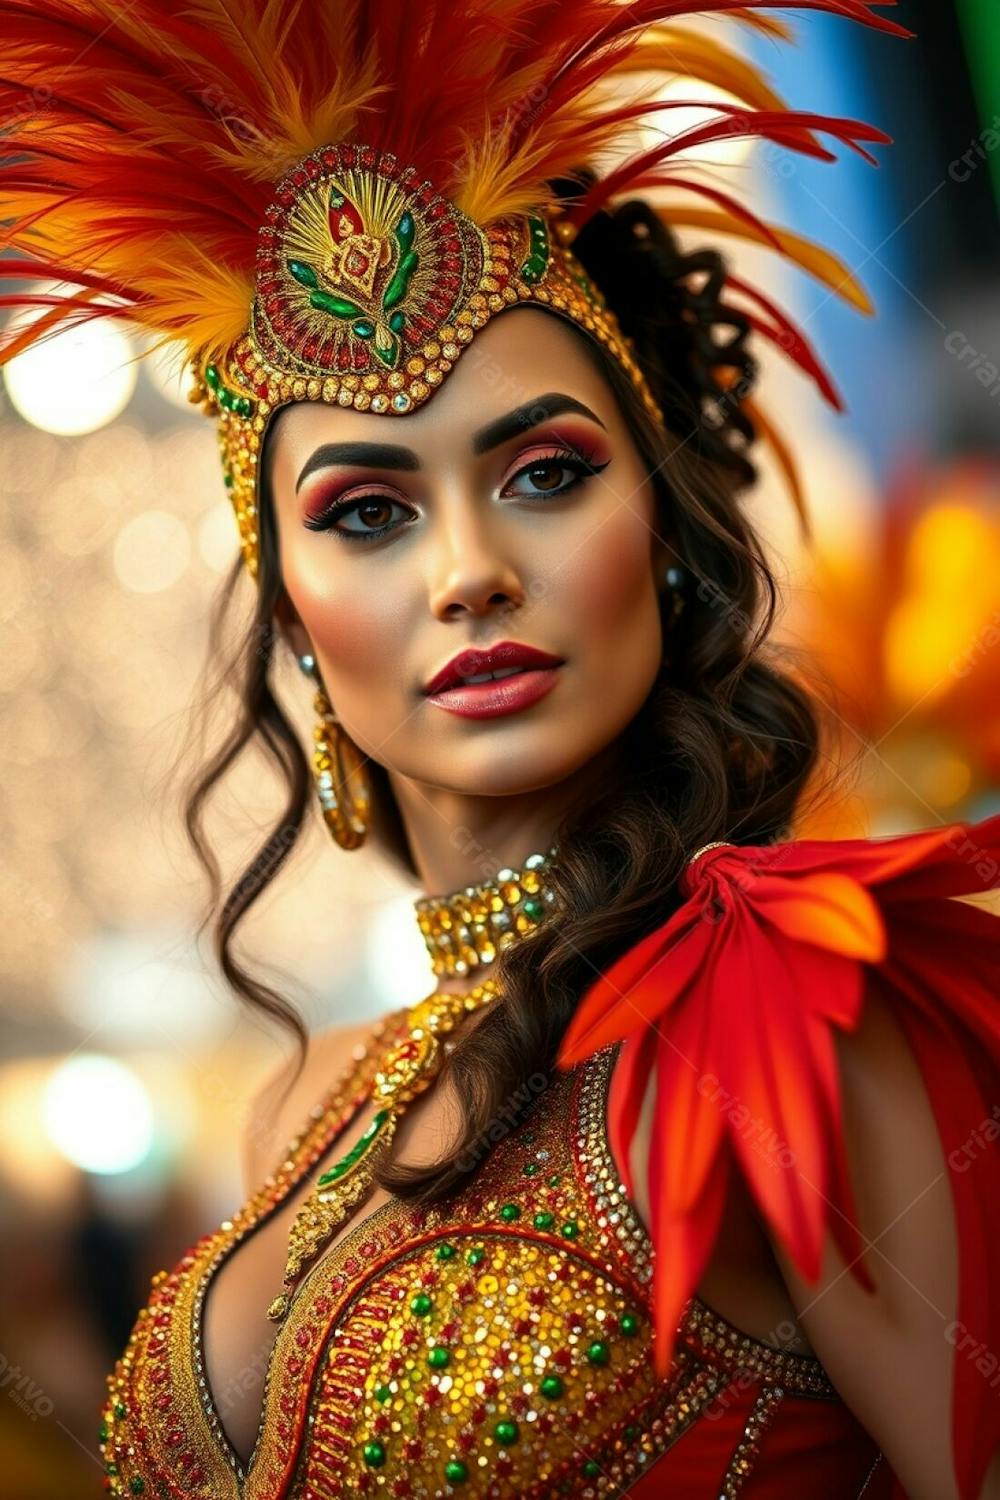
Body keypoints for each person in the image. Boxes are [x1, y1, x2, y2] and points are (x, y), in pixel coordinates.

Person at [2, 2, 999, 1498]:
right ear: (292, 617)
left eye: (545, 473)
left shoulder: (804, 1018)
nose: (467, 568)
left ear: (660, 534)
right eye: (367, 512)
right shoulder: (309, 1099)